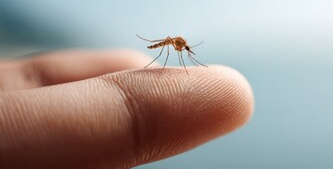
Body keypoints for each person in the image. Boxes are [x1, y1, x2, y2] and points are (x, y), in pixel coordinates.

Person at [0, 49, 254, 168]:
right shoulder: (174, 45)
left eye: (186, 50)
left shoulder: (180, 46)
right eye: (186, 49)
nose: (184, 50)